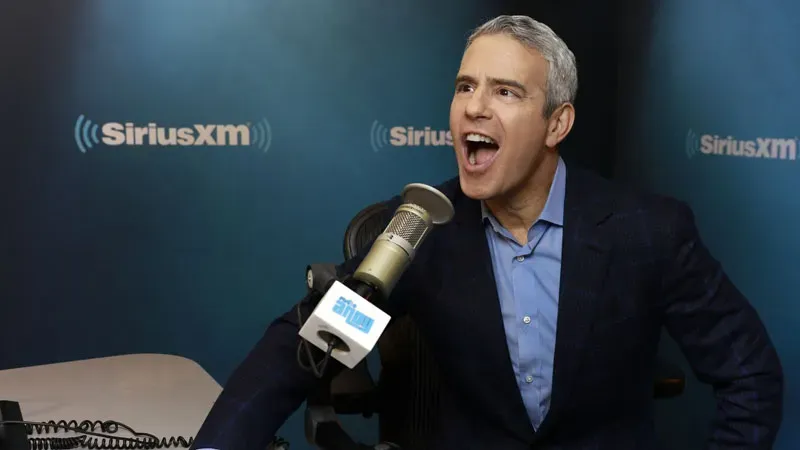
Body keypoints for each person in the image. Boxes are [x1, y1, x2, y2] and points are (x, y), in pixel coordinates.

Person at [191, 15, 783, 449]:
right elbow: (313, 345)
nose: (474, 108)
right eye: (465, 86)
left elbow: (750, 377)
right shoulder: (423, 230)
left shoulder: (648, 231)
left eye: (505, 91)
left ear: (557, 123)